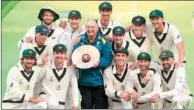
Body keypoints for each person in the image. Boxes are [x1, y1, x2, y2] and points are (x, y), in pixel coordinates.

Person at [73, 19, 113, 109]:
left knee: (101, 107)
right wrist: (76, 62)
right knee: (86, 106)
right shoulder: (79, 40)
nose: (90, 29)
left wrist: (99, 63)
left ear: (97, 28)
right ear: (85, 28)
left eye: (92, 27)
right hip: (84, 82)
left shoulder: (103, 41)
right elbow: (74, 54)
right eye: (88, 27)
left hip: (99, 82)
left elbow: (108, 58)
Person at [39, 44, 78, 109]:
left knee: (56, 105)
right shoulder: (46, 66)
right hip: (46, 99)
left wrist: (75, 104)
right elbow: (36, 80)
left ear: (65, 55)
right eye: (57, 53)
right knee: (51, 104)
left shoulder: (70, 68)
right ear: (53, 54)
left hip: (61, 103)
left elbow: (74, 86)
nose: (59, 55)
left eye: (62, 53)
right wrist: (40, 63)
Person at [20, 24, 54, 97]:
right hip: (28, 75)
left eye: (46, 34)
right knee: (27, 98)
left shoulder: (50, 42)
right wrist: (39, 61)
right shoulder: (27, 43)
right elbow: (22, 61)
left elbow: (51, 57)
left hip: (42, 76)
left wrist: (44, 60)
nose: (44, 36)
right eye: (41, 34)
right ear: (35, 33)